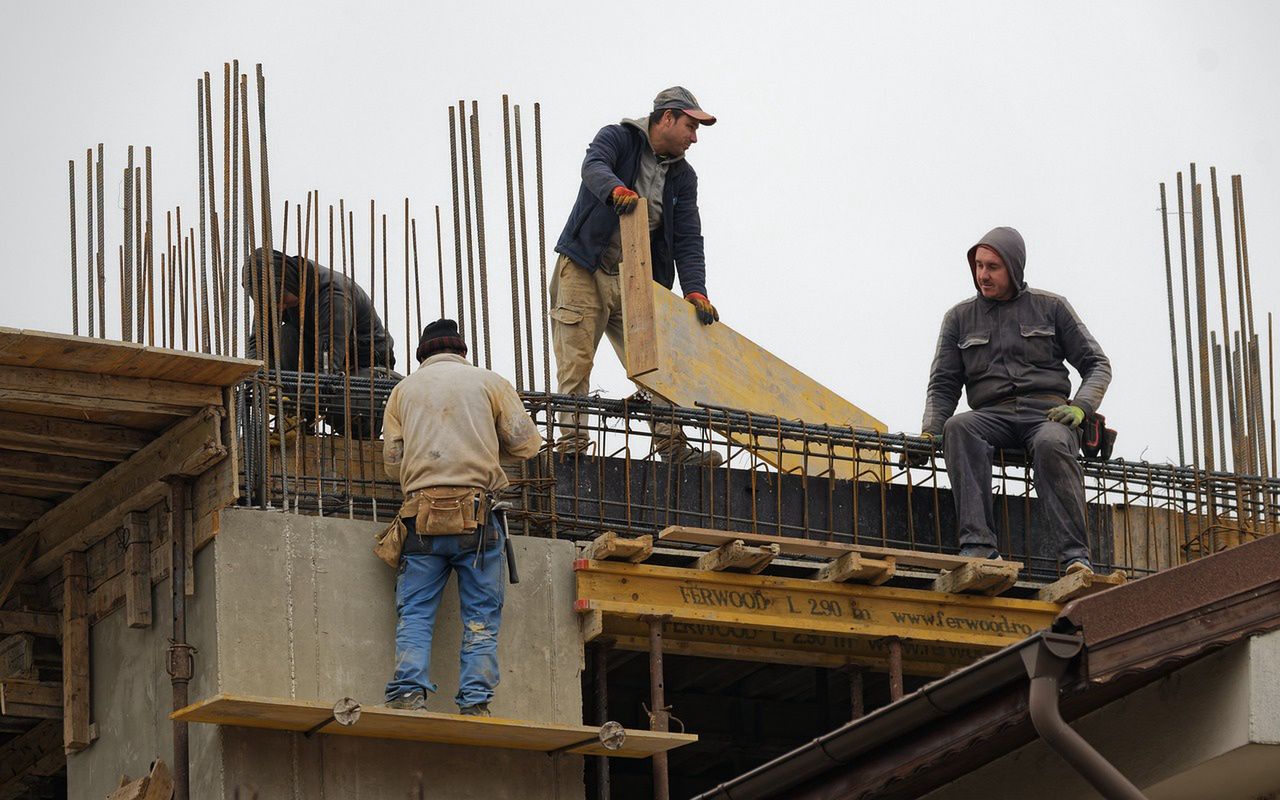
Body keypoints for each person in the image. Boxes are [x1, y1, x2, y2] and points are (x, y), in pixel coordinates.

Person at [917, 227, 1111, 574]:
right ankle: (979, 548)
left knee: (1052, 443)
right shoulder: (959, 318)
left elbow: (1097, 364)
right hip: (993, 415)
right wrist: (931, 432)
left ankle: (1075, 558)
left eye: (992, 267)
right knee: (958, 427)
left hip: (1048, 415)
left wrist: (1081, 408)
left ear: (1014, 267)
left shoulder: (1052, 307)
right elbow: (943, 383)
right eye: (978, 266)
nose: (983, 275)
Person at [551, 86, 721, 465]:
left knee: (656, 364)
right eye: (690, 127)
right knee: (576, 365)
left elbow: (688, 237)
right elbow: (594, 166)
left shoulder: (683, 177)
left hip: (635, 278)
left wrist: (695, 290)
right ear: (666, 118)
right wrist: (615, 190)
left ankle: (674, 451)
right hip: (585, 269)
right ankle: (573, 452)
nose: (694, 137)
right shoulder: (618, 138)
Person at [381, 319, 542, 715]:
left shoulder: (402, 392)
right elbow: (527, 445)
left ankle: (408, 694)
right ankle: (475, 704)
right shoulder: (489, 382)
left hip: (422, 519)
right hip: (477, 519)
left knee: (416, 613)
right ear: (463, 352)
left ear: (422, 357)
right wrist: (484, 445)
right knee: (481, 618)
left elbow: (391, 464)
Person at [243, 247, 398, 435]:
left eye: (282, 298)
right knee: (285, 337)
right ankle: (296, 417)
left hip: (363, 366)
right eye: (273, 303)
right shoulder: (272, 296)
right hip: (317, 359)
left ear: (289, 281)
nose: (280, 306)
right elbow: (257, 346)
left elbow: (327, 371)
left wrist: (295, 416)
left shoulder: (333, 295)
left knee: (343, 404)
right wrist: (263, 387)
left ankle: (304, 417)